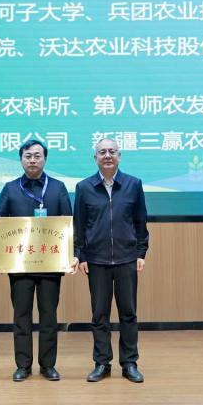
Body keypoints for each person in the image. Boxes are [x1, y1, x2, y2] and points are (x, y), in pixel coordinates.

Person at [0, 140, 76, 382]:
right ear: (21, 159)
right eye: (28, 156)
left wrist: (72, 254)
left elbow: (68, 224)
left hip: (50, 265)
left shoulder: (57, 188)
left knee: (49, 316)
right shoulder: (11, 189)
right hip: (19, 265)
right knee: (21, 316)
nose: (33, 160)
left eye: (37, 156)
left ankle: (48, 365)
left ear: (45, 159)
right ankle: (23, 366)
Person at [73, 137, 149, 383]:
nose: (107, 155)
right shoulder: (84, 187)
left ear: (119, 156)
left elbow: (140, 222)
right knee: (99, 315)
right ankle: (101, 363)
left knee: (129, 313)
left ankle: (129, 363)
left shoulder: (133, 184)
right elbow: (79, 225)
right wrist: (81, 255)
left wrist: (141, 253)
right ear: (95, 157)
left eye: (112, 151)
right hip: (96, 260)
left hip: (127, 258)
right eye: (102, 152)